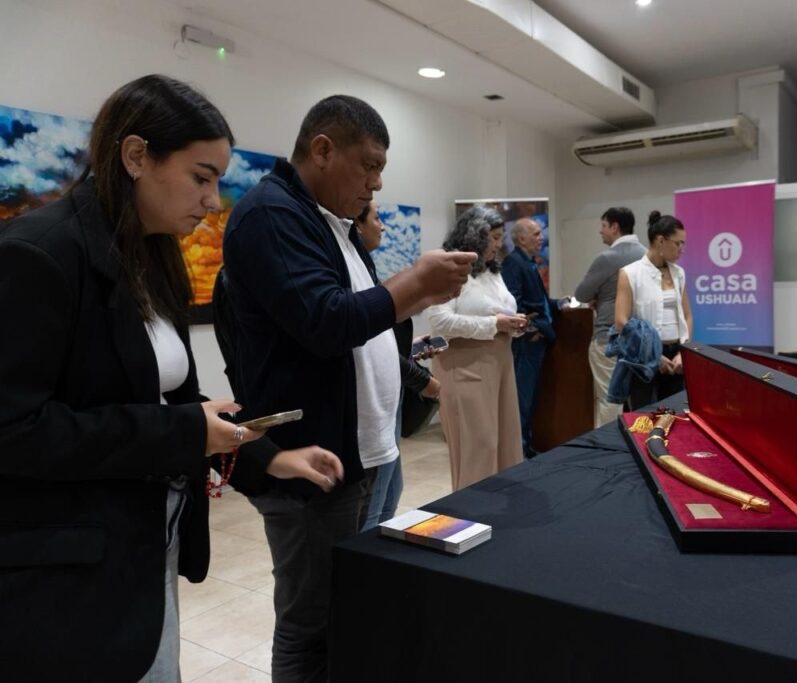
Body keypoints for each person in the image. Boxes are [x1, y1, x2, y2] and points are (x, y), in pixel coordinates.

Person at [0, 74, 341, 682]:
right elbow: (16, 430)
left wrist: (265, 456)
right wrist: (183, 432)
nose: (213, 202)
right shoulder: (39, 253)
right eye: (201, 178)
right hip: (66, 569)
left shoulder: (151, 257)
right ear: (136, 157)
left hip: (146, 540)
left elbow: (166, 398)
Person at [219, 94, 475, 682]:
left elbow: (363, 317)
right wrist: (416, 281)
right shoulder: (271, 215)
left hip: (357, 451)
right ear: (322, 149)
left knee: (342, 608)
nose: (376, 183)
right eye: (370, 165)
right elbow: (327, 322)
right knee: (310, 624)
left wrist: (423, 293)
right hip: (313, 457)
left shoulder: (327, 221)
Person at [352, 200, 441, 528]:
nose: (383, 225)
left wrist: (412, 347)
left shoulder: (365, 268)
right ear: (357, 226)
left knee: (390, 493)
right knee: (374, 506)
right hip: (374, 402)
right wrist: (423, 380)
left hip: (390, 396)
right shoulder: (350, 273)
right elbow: (367, 343)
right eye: (377, 218)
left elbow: (382, 338)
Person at [426, 207, 528, 489]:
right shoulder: (450, 269)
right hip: (465, 367)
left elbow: (498, 311)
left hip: (500, 364)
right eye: (494, 237)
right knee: (479, 446)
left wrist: (513, 325)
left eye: (501, 237)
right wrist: (495, 324)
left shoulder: (492, 271)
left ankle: (501, 508)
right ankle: (472, 509)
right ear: (475, 236)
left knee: (506, 442)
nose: (499, 244)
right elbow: (439, 321)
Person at [614, 210, 694, 410]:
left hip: (676, 357)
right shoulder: (630, 273)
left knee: (675, 416)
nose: (682, 250)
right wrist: (654, 356)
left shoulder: (679, 274)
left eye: (683, 244)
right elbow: (621, 322)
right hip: (644, 356)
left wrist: (683, 351)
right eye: (678, 243)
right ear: (660, 241)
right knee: (644, 417)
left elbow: (687, 316)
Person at [574, 207, 647, 427]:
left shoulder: (607, 258)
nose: (601, 231)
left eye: (604, 226)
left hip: (609, 338)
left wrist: (600, 295)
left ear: (615, 227)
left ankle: (606, 445)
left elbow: (582, 294)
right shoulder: (647, 255)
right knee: (637, 402)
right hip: (641, 341)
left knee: (609, 400)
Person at [501, 218, 559, 458]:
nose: (541, 237)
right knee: (522, 400)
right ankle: (520, 452)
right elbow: (513, 304)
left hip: (538, 341)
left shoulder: (529, 263)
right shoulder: (513, 263)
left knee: (530, 399)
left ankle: (526, 447)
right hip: (526, 343)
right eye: (536, 234)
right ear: (521, 238)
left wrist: (560, 304)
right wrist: (533, 329)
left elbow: (538, 301)